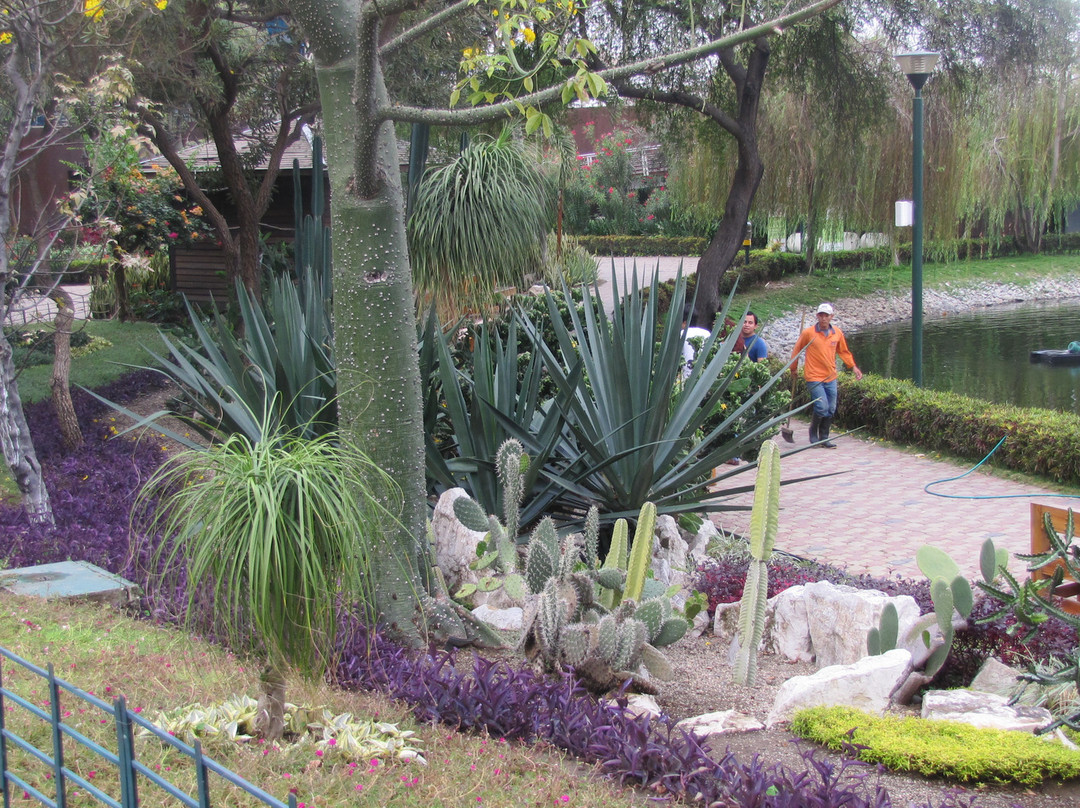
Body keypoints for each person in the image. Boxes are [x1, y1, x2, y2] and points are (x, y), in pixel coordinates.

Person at [789, 302, 863, 448]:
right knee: (821, 406)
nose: (823, 318)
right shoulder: (808, 333)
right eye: (821, 315)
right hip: (814, 376)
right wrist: (793, 368)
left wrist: (853, 366)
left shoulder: (837, 333)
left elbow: (843, 352)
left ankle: (824, 437)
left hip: (831, 376)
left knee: (831, 408)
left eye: (826, 315)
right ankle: (813, 433)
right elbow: (797, 350)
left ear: (831, 317)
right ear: (817, 316)